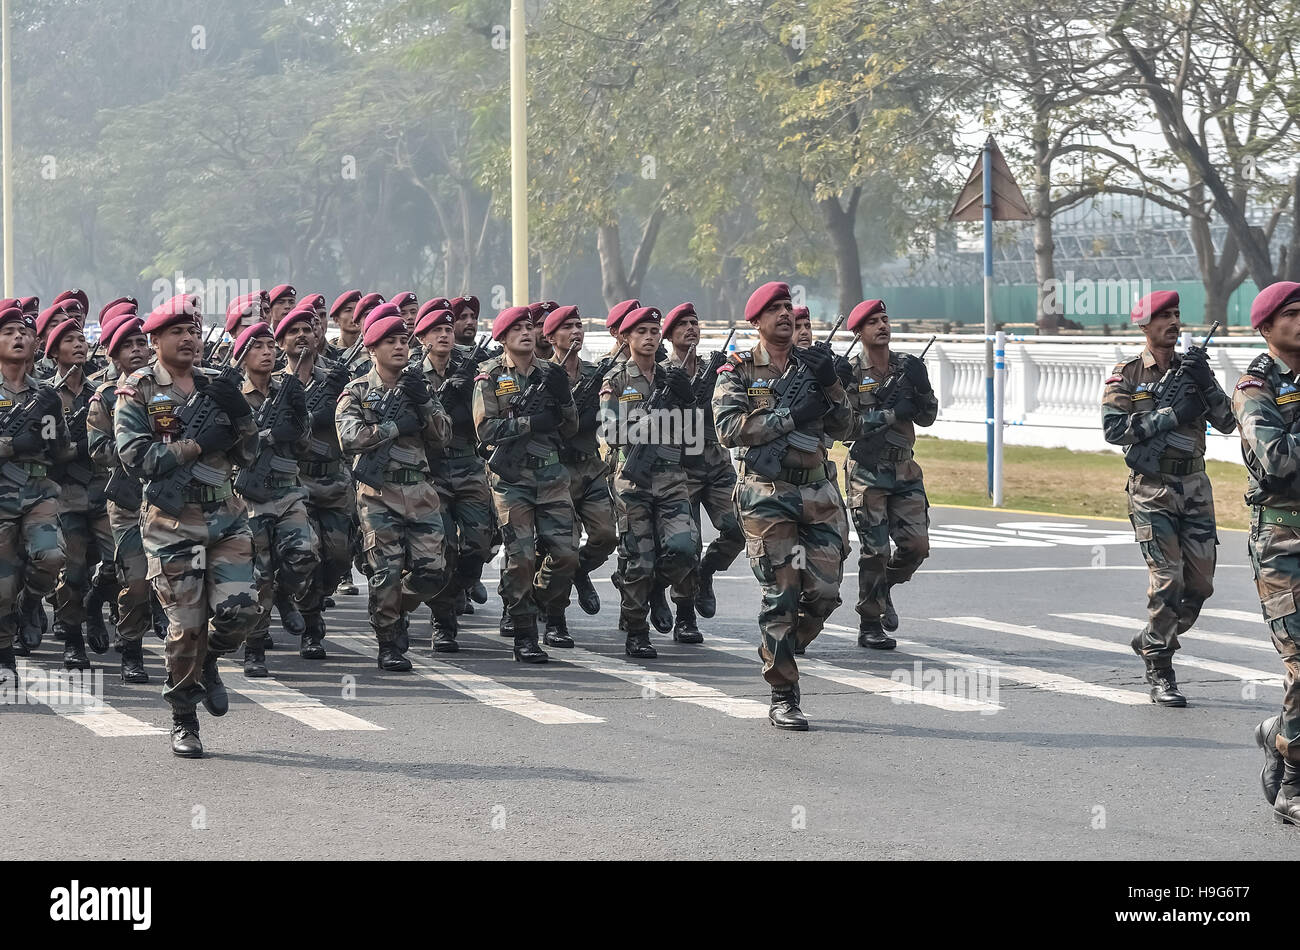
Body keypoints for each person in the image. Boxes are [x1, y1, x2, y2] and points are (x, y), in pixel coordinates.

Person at [114, 293, 260, 758]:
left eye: (194, 330)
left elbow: (249, 455)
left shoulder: (217, 384)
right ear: (155, 339)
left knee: (241, 610)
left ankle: (211, 658)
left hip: (226, 517)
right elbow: (137, 457)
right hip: (172, 524)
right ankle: (183, 717)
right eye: (177, 331)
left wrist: (240, 415)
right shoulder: (136, 389)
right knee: (185, 626)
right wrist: (196, 444)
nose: (189, 338)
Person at [713, 281, 852, 730]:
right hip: (767, 496)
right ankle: (783, 690)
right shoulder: (737, 370)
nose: (785, 314)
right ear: (756, 322)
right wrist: (789, 415)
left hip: (819, 494)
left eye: (788, 307)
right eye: (774, 309)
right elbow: (729, 429)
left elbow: (848, 427)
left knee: (825, 594)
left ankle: (787, 644)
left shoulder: (814, 366)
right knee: (782, 593)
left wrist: (830, 385)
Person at [1102, 290, 1235, 706]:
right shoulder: (1127, 374)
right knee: (1168, 580)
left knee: (1199, 586)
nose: (1173, 322)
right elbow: (1114, 429)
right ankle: (1161, 667)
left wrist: (1207, 383)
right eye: (1163, 317)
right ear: (1144, 326)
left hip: (1195, 486)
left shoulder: (1194, 369)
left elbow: (1229, 421)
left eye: (1177, 315)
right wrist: (1170, 415)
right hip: (1151, 489)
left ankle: (1150, 638)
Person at [336, 304, 451, 671]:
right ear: (371, 348)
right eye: (391, 342)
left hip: (420, 491)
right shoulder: (355, 391)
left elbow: (443, 437)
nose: (400, 347)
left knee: (433, 571)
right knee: (385, 571)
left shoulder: (420, 388)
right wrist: (393, 427)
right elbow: (349, 438)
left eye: (404, 340)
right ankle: (389, 643)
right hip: (378, 494)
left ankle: (395, 607)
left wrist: (423, 402)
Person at [472, 305, 578, 663]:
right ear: (502, 337)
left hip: (550, 476)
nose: (526, 332)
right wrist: (531, 423)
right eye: (516, 328)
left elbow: (570, 428)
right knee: (521, 559)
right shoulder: (488, 376)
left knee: (565, 554)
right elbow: (485, 430)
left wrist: (564, 400)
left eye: (529, 327)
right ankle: (524, 633)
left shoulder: (551, 373)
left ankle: (540, 602)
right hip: (511, 479)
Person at [1231, 281, 1300, 825]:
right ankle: (1293, 785)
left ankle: (1280, 735)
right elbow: (1277, 462)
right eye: (1294, 314)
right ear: (1267, 327)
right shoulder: (1256, 388)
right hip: (1283, 544)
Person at [598, 306, 699, 658]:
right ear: (627, 337)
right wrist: (646, 424)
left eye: (655, 331)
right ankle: (636, 630)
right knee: (638, 559)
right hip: (633, 479)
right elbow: (608, 431)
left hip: (671, 478)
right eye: (641, 331)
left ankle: (657, 588)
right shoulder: (616, 380)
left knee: (684, 550)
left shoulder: (673, 375)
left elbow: (695, 433)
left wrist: (687, 399)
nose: (650, 337)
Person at [843, 299, 937, 650]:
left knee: (916, 547)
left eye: (885, 319)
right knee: (875, 550)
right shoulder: (851, 373)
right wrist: (888, 414)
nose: (882, 326)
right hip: (867, 471)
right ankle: (870, 623)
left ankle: (881, 589)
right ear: (858, 332)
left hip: (904, 468)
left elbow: (927, 417)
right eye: (873, 322)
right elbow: (845, 426)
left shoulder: (906, 367)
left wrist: (923, 387)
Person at [233, 320, 317, 677]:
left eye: (270, 345)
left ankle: (286, 595)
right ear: (242, 356)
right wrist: (264, 435)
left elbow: (303, 444)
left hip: (287, 490)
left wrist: (300, 416)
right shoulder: (233, 396)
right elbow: (227, 444)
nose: (267, 352)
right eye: (258, 346)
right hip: (249, 495)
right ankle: (255, 647)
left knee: (304, 554)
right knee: (259, 573)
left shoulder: (288, 389)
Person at [662, 302, 745, 640]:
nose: (690, 329)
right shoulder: (662, 372)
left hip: (716, 465)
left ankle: (706, 573)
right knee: (687, 543)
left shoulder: (716, 368)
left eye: (694, 323)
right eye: (682, 324)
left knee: (738, 528)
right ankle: (685, 615)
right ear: (669, 335)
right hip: (680, 469)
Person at [281, 303, 357, 656]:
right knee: (307, 552)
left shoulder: (338, 376)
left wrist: (338, 401)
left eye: (308, 329)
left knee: (339, 558)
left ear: (318, 337)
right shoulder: (274, 383)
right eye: (292, 331)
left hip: (334, 482)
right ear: (281, 341)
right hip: (293, 484)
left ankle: (314, 598)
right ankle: (312, 625)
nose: (301, 336)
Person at [0, 306, 68, 690]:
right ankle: (4, 651)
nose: (18, 337)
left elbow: (61, 450)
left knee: (52, 556)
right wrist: (13, 444)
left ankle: (32, 604)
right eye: (8, 331)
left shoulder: (46, 395)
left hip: (38, 493)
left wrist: (53, 425)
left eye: (24, 332)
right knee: (2, 587)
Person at [418, 307, 493, 651]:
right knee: (445, 547)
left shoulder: (473, 368)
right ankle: (443, 621)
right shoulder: (412, 376)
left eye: (448, 329)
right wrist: (438, 400)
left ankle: (462, 585)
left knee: (479, 543)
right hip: (433, 470)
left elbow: (486, 419)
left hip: (468, 464)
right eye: (436, 330)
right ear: (422, 337)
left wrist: (467, 396)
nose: (445, 335)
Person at [542, 305, 617, 645]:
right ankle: (555, 618)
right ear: (551, 336)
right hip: (555, 469)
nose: (576, 331)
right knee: (562, 548)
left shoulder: (596, 372)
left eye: (579, 325)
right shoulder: (542, 376)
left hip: (589, 465)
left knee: (605, 536)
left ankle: (580, 573)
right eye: (567, 327)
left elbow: (610, 414)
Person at [86, 315, 153, 683]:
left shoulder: (166, 388)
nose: (137, 351)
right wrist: (139, 447)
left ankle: (97, 595)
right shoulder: (105, 397)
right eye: (128, 346)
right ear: (113, 354)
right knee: (137, 580)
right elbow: (98, 449)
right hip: (127, 499)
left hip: (170, 497)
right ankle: (131, 650)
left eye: (141, 343)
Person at [47, 318, 111, 668]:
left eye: (81, 340)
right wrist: (68, 448)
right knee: (70, 572)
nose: (79, 345)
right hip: (64, 495)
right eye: (68, 341)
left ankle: (95, 605)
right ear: (54, 351)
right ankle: (73, 639)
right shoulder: (43, 395)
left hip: (102, 492)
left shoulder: (98, 393)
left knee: (120, 563)